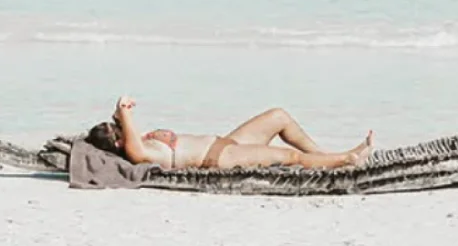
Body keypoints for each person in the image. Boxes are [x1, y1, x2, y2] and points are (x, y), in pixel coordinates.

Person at [86, 97, 374, 172]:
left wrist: (118, 114)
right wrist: (123, 109)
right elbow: (129, 136)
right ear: (118, 143)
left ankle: (323, 156)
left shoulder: (138, 140)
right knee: (289, 157)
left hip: (227, 142)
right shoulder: (139, 152)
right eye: (118, 130)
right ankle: (346, 159)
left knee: (279, 116)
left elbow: (123, 124)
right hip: (220, 157)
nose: (123, 124)